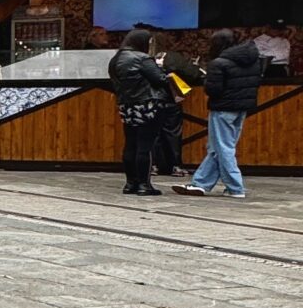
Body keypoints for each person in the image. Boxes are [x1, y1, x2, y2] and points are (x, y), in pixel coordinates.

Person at [175, 28, 262, 200]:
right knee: (217, 148)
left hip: (222, 108)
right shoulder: (253, 59)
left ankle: (235, 187)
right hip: (242, 108)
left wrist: (207, 79)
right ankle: (200, 184)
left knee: (223, 148)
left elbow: (213, 90)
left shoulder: (218, 63)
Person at [107, 25, 172, 195]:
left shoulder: (115, 59)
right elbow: (160, 80)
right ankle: (144, 184)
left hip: (126, 105)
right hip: (147, 104)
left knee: (130, 144)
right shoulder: (142, 58)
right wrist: (164, 71)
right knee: (145, 146)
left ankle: (130, 183)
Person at [150, 35, 202, 177]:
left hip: (150, 100)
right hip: (170, 100)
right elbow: (193, 74)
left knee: (152, 134)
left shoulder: (144, 59)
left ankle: (152, 166)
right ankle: (175, 166)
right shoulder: (174, 58)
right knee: (173, 133)